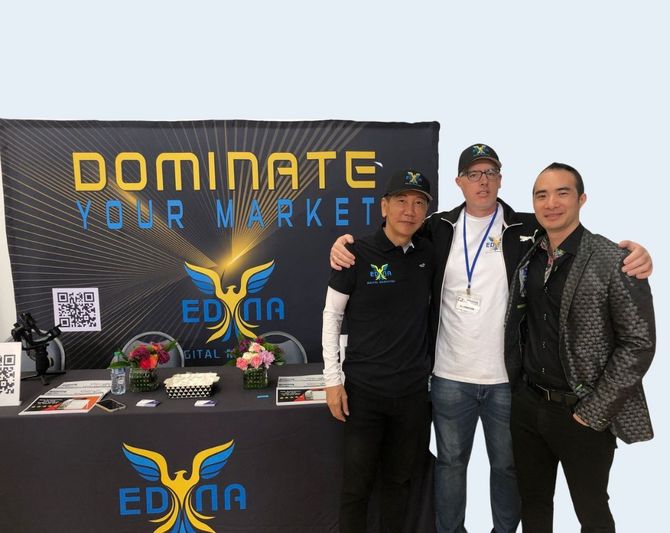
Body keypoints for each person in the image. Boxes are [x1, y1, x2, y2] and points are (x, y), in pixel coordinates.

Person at [329, 144, 653, 533]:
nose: (482, 181)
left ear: (501, 179)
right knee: (450, 464)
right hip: (449, 376)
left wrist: (635, 253)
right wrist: (343, 244)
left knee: (507, 467)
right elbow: (393, 237)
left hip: (507, 380)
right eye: (473, 174)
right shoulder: (437, 227)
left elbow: (576, 241)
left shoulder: (527, 228)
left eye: (490, 173)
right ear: (459, 182)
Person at [504, 163, 655, 532]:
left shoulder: (613, 260)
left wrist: (593, 412)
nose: (551, 203)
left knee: (592, 513)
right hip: (528, 405)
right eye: (541, 195)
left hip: (582, 413)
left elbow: (638, 343)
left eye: (562, 193)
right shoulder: (530, 253)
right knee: (533, 505)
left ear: (582, 199)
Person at [322, 169, 434, 533]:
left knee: (399, 484)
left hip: (413, 395)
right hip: (364, 394)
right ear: (384, 206)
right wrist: (332, 380)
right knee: (356, 488)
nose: (409, 211)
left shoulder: (429, 253)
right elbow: (332, 316)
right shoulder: (354, 253)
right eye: (401, 200)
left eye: (419, 203)